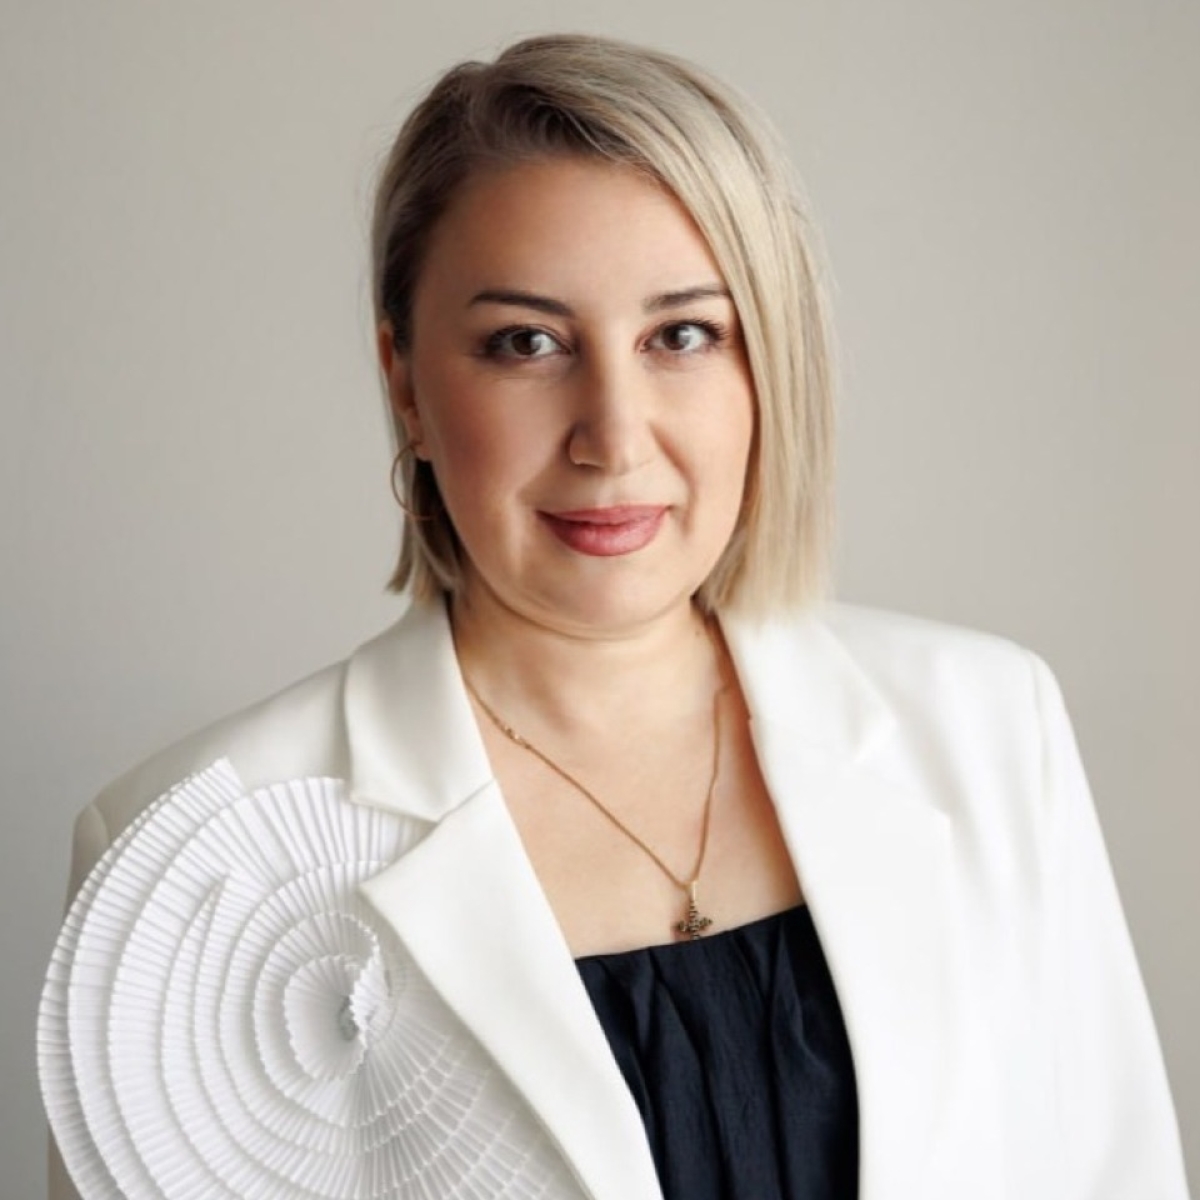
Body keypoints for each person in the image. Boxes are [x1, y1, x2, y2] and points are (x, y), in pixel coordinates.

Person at [41, 33, 1189, 1200]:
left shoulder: (992, 727)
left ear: (768, 365)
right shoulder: (185, 856)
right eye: (527, 343)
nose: (615, 436)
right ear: (406, 384)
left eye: (681, 335)